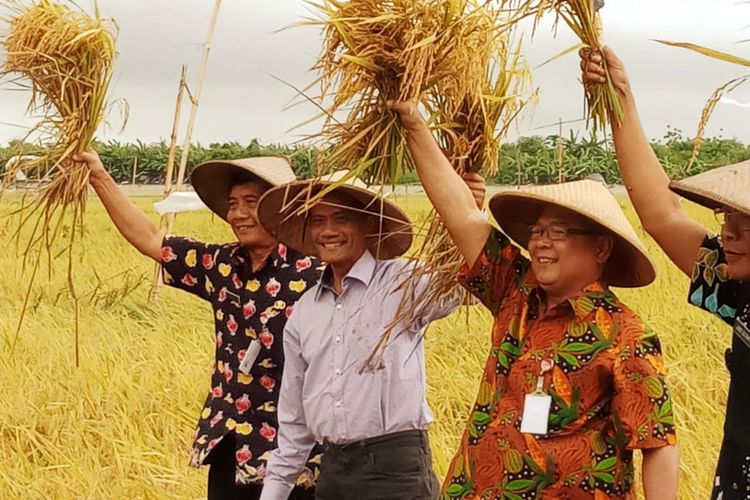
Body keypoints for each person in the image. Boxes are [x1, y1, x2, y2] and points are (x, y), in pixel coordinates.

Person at [388, 100, 679, 499]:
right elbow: (462, 216)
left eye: (558, 232)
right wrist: (415, 125)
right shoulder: (515, 290)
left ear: (601, 249)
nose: (540, 241)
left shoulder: (625, 335)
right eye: (537, 231)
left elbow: (657, 443)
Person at [76, 152, 322, 500]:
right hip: (229, 444)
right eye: (233, 204)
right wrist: (99, 176)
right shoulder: (221, 264)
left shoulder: (319, 272)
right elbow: (150, 239)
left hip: (295, 452)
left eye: (250, 203)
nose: (237, 214)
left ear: (281, 207)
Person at [581, 45, 750, 499]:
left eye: (746, 223)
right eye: (726, 220)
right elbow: (662, 216)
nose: (729, 235)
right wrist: (621, 101)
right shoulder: (741, 293)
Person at [255, 171, 484, 500]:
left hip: (396, 471)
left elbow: (467, 284)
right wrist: (274, 493)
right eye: (318, 221)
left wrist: (469, 212)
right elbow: (294, 421)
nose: (328, 231)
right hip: (332, 472)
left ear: (367, 226)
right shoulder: (305, 311)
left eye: (342, 218)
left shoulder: (403, 283)